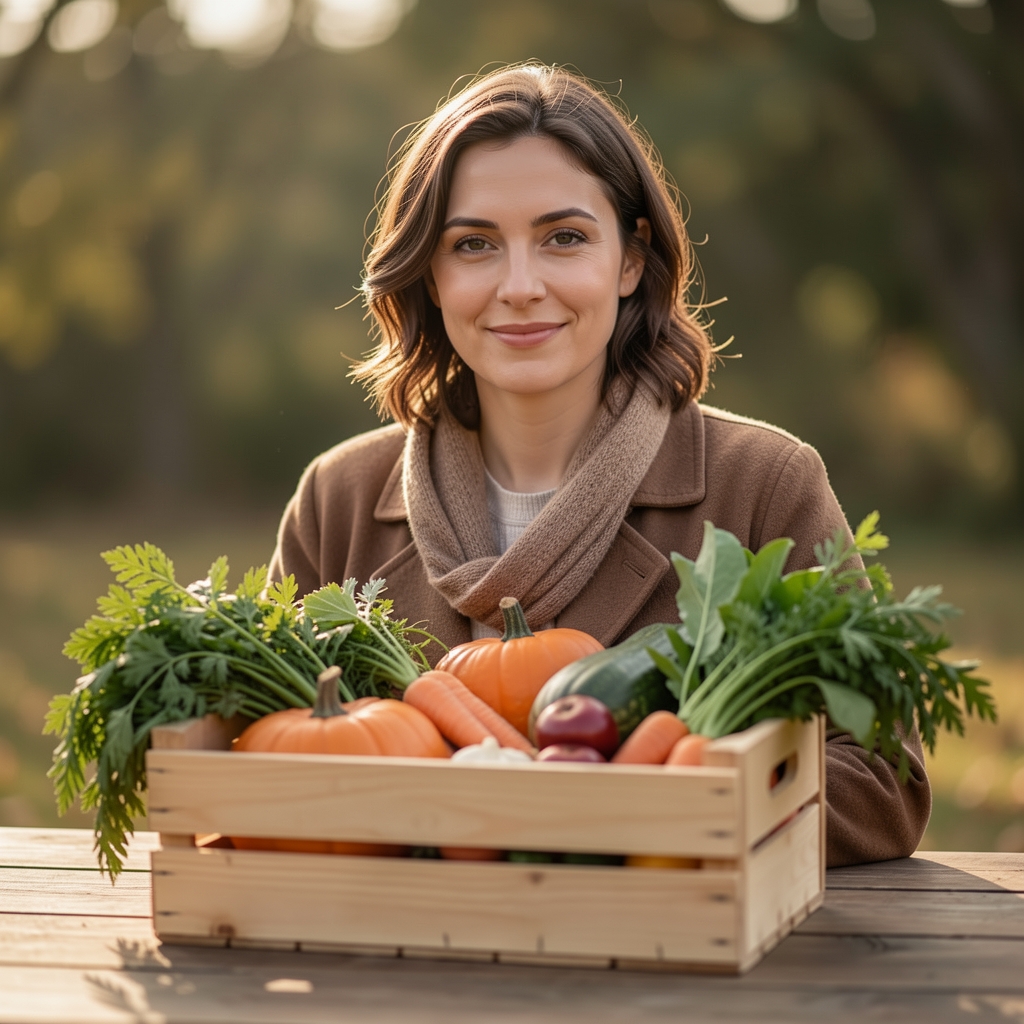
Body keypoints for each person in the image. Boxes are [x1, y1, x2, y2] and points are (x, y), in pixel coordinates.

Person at [269, 64, 930, 866]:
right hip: (401, 962)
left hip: (677, 967)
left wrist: (627, 812)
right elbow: (261, 755)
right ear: (431, 275)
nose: (519, 286)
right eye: (473, 244)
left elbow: (884, 783)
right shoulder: (335, 501)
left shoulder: (765, 483)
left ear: (628, 259)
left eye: (564, 238)